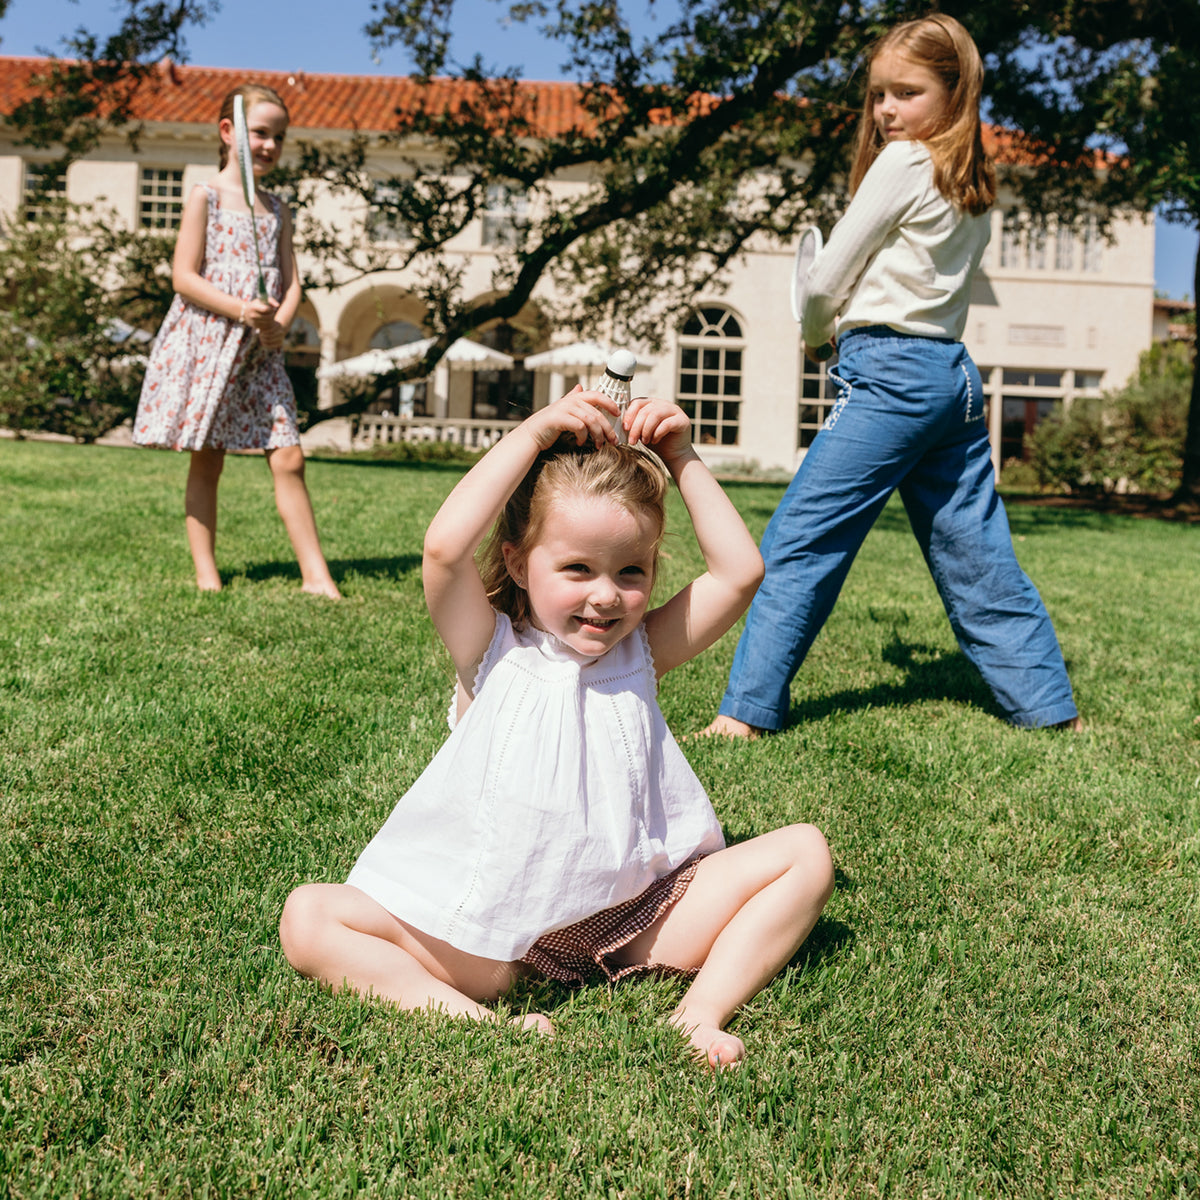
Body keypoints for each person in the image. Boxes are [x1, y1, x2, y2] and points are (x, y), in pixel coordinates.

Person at [279, 388, 834, 1067]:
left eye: (631, 572)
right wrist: (532, 434)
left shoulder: (642, 654)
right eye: (577, 568)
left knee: (806, 852)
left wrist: (682, 455)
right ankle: (482, 1024)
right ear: (518, 563)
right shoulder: (492, 653)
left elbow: (740, 571)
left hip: (641, 918)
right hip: (501, 935)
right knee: (309, 918)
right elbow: (444, 550)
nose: (606, 595)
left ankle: (699, 1012)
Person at [703, 13, 1081, 740]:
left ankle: (743, 715)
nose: (886, 111)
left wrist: (818, 339)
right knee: (976, 554)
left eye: (906, 92)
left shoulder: (904, 163)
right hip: (952, 379)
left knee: (802, 539)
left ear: (956, 90)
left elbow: (825, 279)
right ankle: (1047, 710)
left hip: (892, 376)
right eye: (878, 94)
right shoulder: (973, 180)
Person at [132, 84, 340, 598]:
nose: (270, 145)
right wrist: (241, 309)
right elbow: (184, 276)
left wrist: (279, 322)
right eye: (260, 133)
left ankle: (316, 577)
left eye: (279, 137)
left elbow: (291, 281)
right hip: (213, 345)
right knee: (209, 455)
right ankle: (207, 575)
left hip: (261, 352)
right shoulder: (205, 197)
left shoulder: (278, 208)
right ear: (228, 133)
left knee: (289, 455)